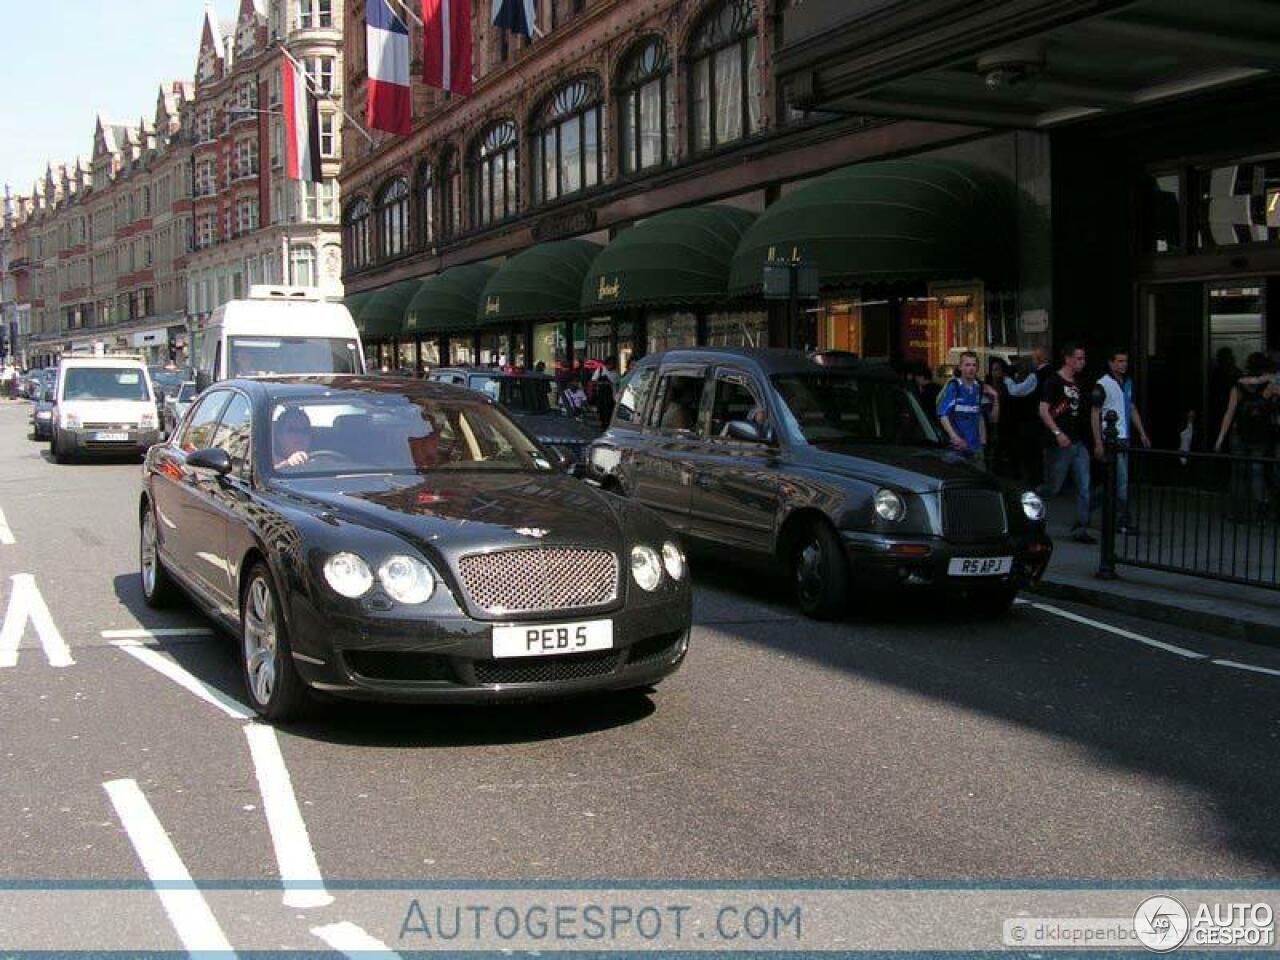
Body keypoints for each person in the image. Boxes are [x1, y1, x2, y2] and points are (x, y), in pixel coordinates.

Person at [1038, 342, 1094, 543]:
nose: (1082, 362)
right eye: (1079, 358)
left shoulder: (1079, 383)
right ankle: (1032, 516)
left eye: (1083, 358)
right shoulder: (1053, 381)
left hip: (1077, 442)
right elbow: (1043, 410)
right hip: (1059, 444)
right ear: (1068, 359)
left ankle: (1081, 527)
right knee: (1053, 487)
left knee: (1084, 487)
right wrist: (1057, 432)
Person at [1090, 348, 1151, 532]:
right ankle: (1122, 521)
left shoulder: (1126, 383)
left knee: (1114, 480)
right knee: (1121, 480)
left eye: (1125, 361)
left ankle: (1088, 507)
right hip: (1113, 439)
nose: (1123, 365)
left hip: (1124, 437)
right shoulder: (1103, 384)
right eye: (1119, 361)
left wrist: (1142, 432)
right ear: (1111, 363)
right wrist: (1098, 442)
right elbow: (1095, 413)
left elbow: (1131, 408)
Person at [1213, 352, 1277, 521]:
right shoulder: (1271, 385)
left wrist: (1220, 438)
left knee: (1238, 473)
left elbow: (1229, 413)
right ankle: (1261, 508)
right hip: (1260, 435)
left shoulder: (1238, 386)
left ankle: (1236, 512)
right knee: (1257, 471)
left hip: (1239, 433)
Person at [936, 351, 997, 467]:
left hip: (975, 447)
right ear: (960, 367)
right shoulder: (954, 386)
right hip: (958, 448)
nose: (971, 369)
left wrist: (983, 442)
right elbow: (943, 415)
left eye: (974, 365)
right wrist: (954, 437)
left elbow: (979, 415)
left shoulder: (978, 387)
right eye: (967, 365)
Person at [1006, 347, 1052, 487]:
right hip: (1051, 419)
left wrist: (1008, 380)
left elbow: (1017, 391)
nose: (1032, 362)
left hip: (1034, 420)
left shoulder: (1036, 376)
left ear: (1039, 359)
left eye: (1033, 359)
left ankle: (1035, 483)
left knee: (1033, 454)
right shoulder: (1055, 373)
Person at [595, 355, 619, 427]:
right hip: (601, 394)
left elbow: (617, 384)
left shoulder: (615, 374)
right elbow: (593, 381)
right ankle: (602, 422)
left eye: (612, 364)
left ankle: (608, 423)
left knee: (609, 410)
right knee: (601, 409)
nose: (610, 366)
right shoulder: (600, 370)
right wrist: (602, 383)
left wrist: (610, 383)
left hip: (611, 395)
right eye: (609, 364)